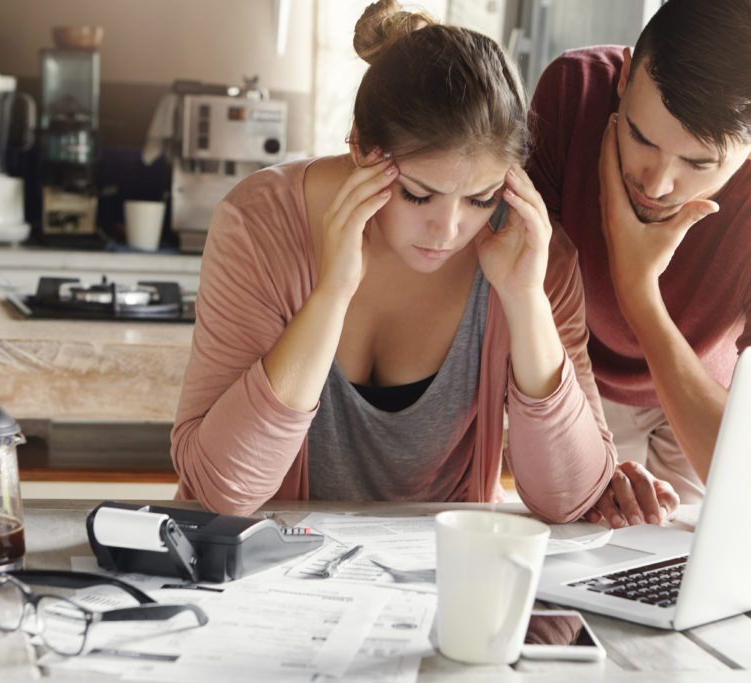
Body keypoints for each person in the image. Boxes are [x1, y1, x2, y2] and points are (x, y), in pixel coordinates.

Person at [170, 0, 617, 523]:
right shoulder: (259, 224)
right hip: (268, 583)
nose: (449, 231)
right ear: (361, 147)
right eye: (417, 194)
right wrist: (330, 295)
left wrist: (525, 301)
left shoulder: (531, 251)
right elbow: (224, 491)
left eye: (480, 198)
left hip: (440, 581)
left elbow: (569, 498)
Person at [527, 0, 751, 527]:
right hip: (575, 374)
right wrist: (590, 455)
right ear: (625, 76)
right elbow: (523, 298)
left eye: (698, 163)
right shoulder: (571, 93)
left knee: (695, 557)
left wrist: (639, 296)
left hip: (706, 396)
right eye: (639, 136)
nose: (654, 184)